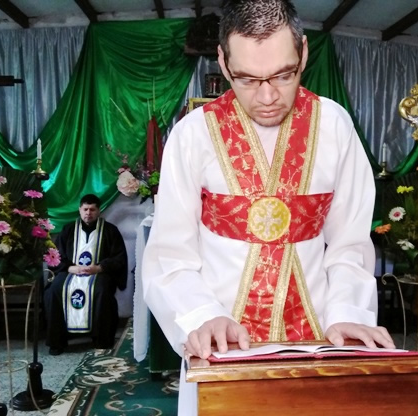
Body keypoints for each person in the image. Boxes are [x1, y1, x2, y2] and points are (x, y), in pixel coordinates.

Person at [142, 1, 393, 413]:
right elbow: (171, 255)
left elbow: (349, 243)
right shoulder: (192, 136)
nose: (267, 96)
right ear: (223, 62)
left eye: (283, 74)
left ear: (304, 53)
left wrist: (348, 311)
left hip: (319, 340)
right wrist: (201, 316)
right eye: (246, 78)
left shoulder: (334, 127)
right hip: (222, 346)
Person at [44, 194, 127, 355]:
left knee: (102, 290)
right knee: (54, 290)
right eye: (85, 209)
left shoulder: (110, 231)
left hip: (99, 273)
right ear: (80, 210)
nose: (88, 213)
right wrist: (70, 268)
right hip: (70, 271)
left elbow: (119, 258)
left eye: (92, 209)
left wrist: (99, 267)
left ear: (99, 211)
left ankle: (101, 340)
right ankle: (57, 342)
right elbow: (55, 256)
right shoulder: (68, 230)